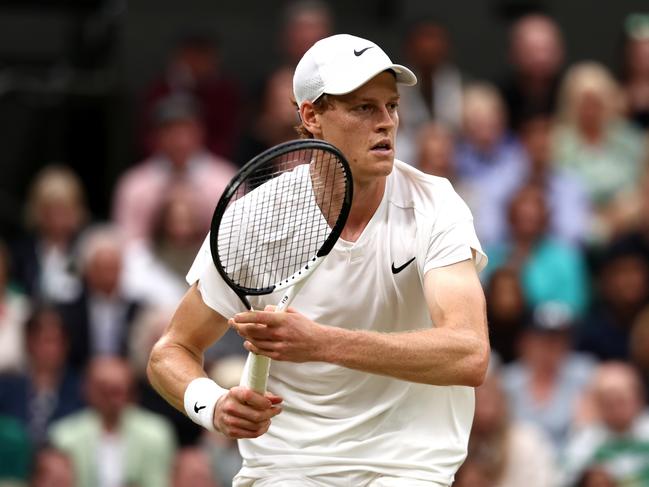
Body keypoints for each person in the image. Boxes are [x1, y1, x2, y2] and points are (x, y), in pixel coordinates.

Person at [148, 34, 489, 487]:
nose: (386, 123)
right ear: (311, 116)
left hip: (405, 466)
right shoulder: (254, 218)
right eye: (363, 108)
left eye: (391, 107)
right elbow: (170, 351)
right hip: (287, 467)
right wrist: (213, 405)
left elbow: (469, 354)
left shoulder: (436, 207)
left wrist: (322, 343)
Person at [49, 357, 176, 487]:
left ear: (130, 391)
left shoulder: (156, 433)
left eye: (118, 391)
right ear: (88, 389)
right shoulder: (64, 436)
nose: (112, 399)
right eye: (104, 390)